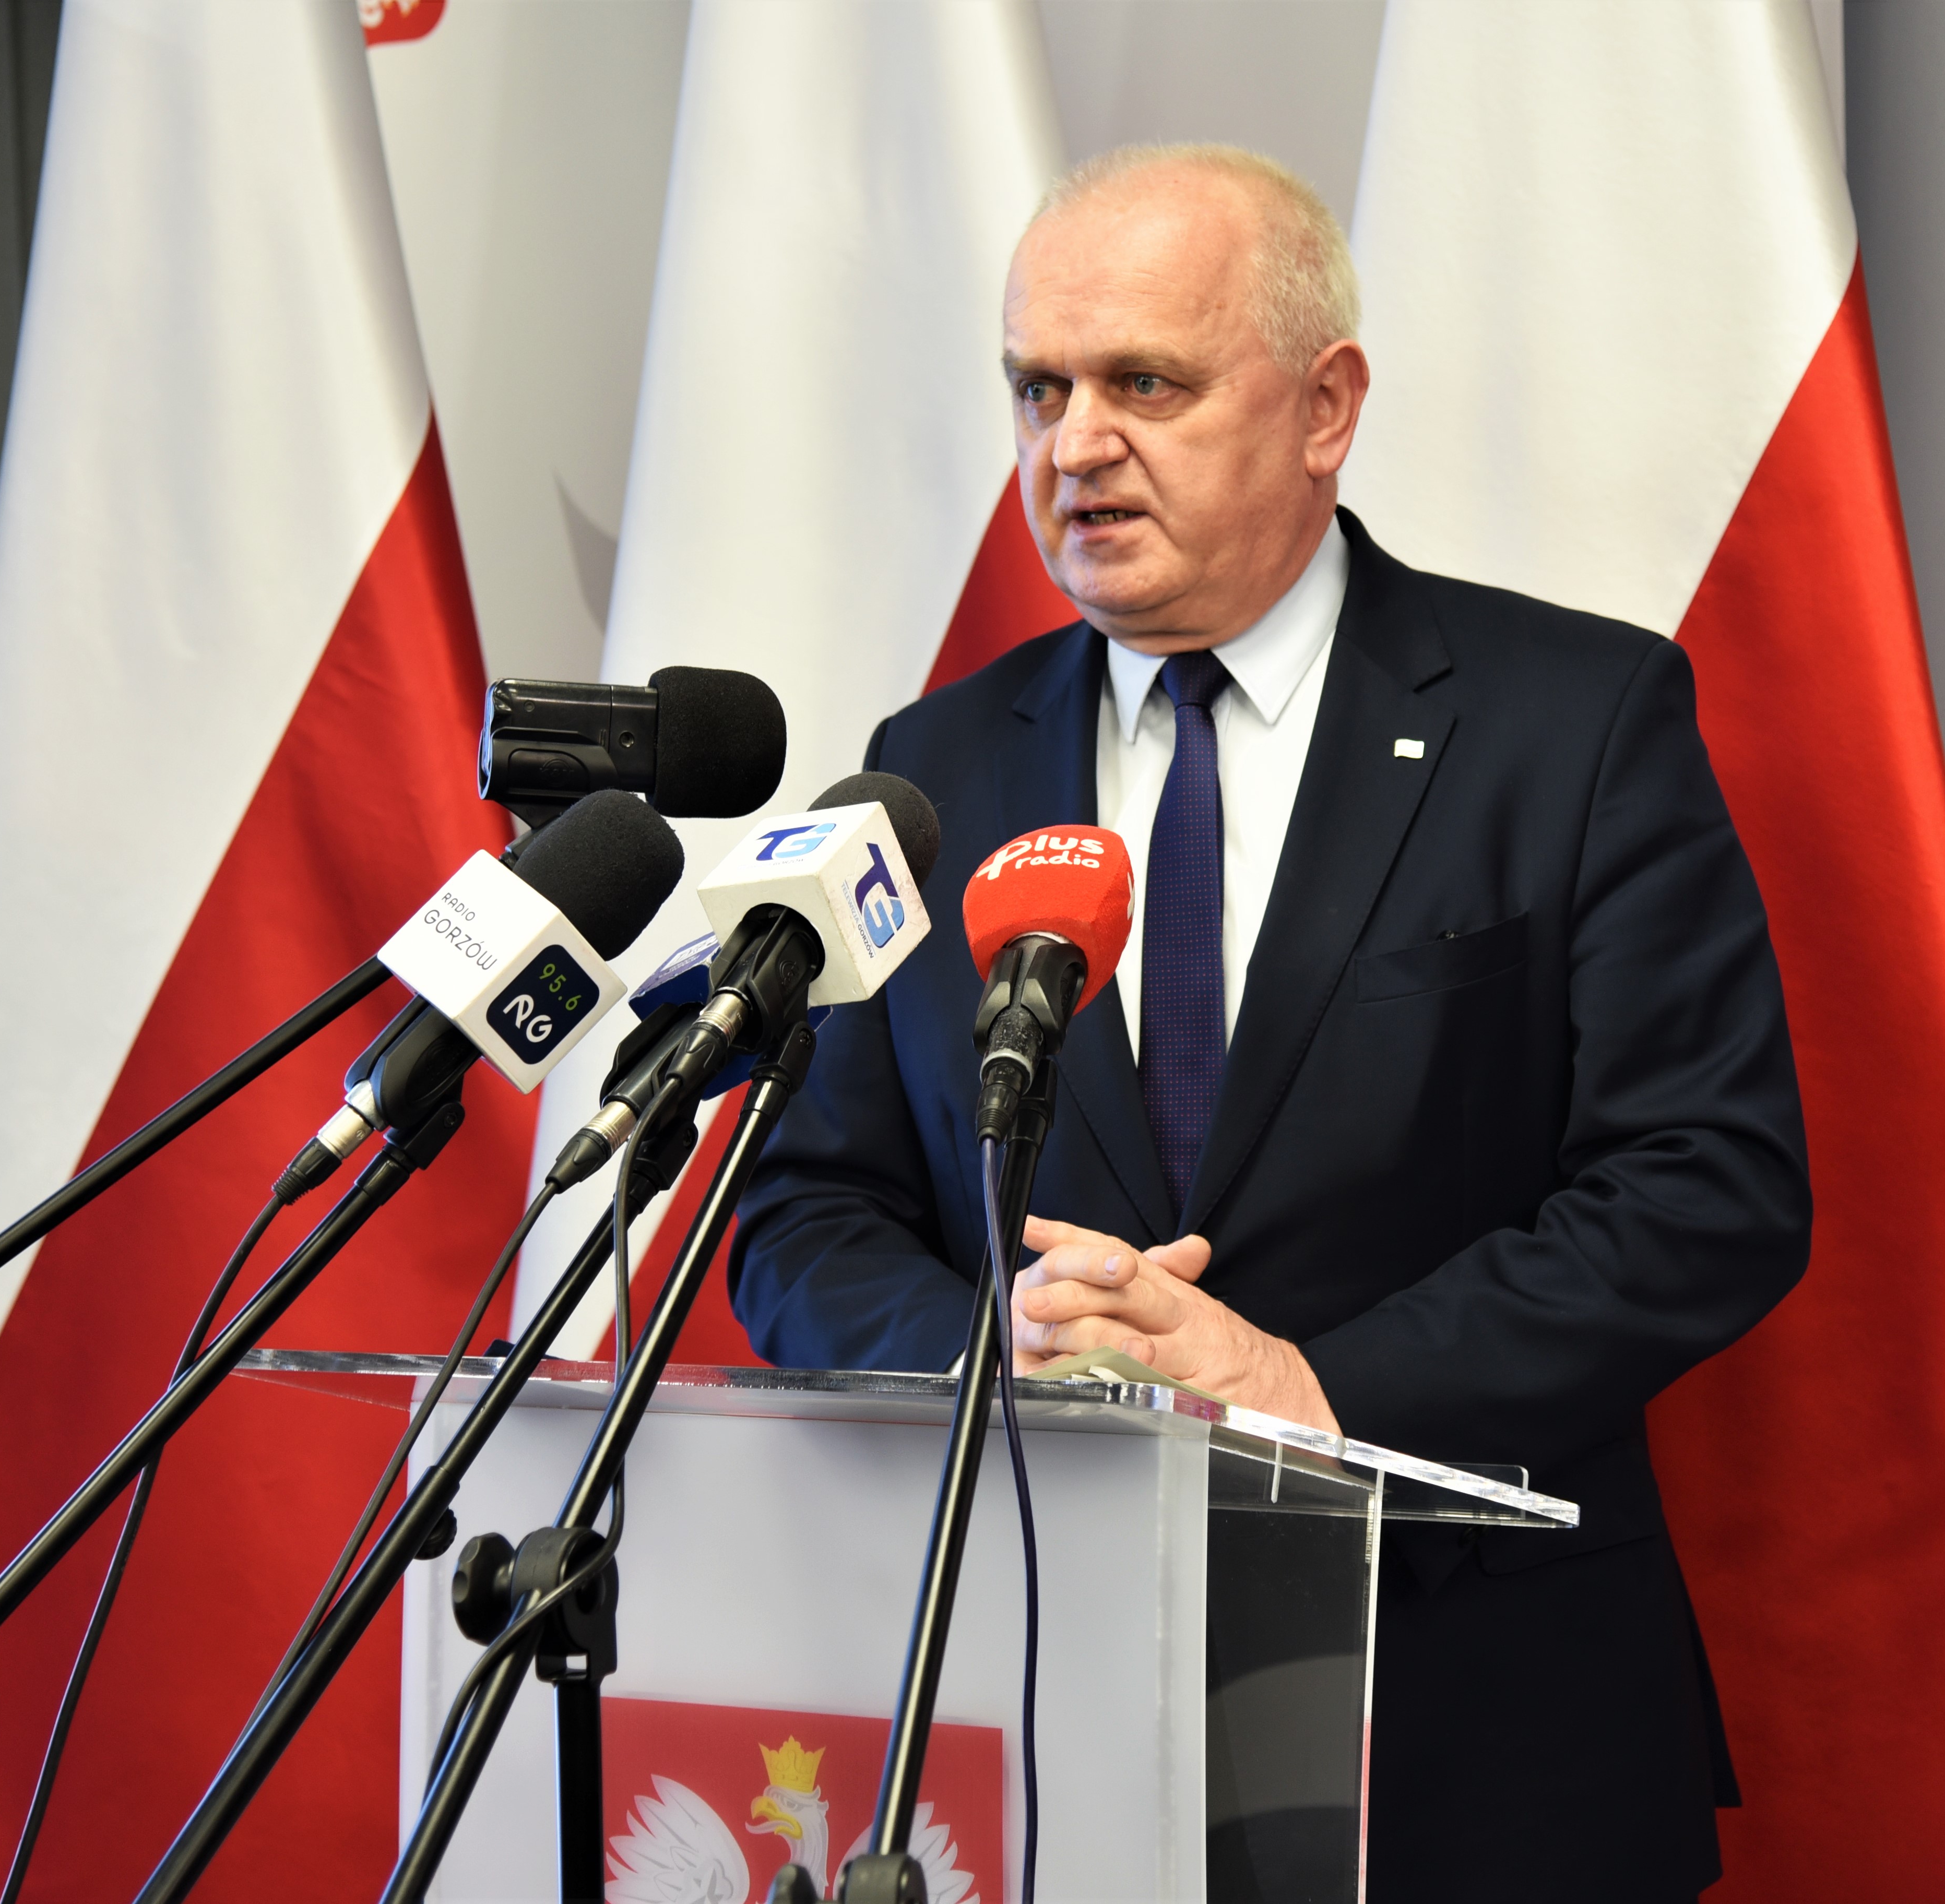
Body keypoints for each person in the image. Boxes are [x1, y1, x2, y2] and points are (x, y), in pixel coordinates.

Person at [729, 142, 1810, 1902]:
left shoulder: (1571, 719)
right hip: (1035, 1716)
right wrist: (1001, 1355)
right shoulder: (932, 768)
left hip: (1470, 1726)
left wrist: (1307, 1389)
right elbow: (803, 1211)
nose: (1074, 445)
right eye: (1038, 390)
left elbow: (1707, 1186)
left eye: (1143, 384)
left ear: (1325, 408)